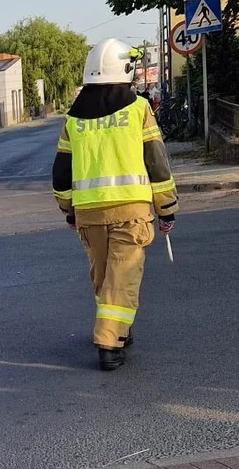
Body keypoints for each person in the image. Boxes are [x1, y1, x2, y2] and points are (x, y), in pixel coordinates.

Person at [51, 38, 177, 371]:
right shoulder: (139, 109)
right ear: (123, 69)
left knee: (106, 278)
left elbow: (61, 173)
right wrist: (167, 208)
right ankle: (109, 343)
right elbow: (157, 163)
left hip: (89, 215)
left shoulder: (73, 119)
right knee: (121, 279)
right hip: (131, 213)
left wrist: (69, 211)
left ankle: (121, 328)